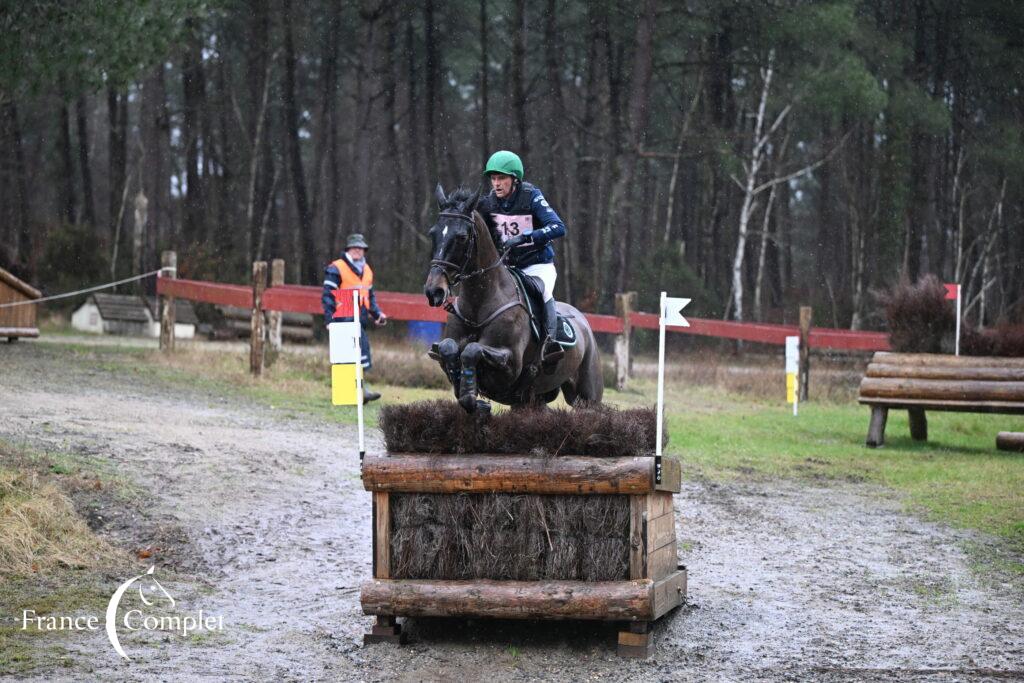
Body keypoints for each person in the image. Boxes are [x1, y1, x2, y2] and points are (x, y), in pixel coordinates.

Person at [477, 150, 566, 366]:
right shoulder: (489, 203)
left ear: (514, 179)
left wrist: (528, 236)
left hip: (537, 265)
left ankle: (550, 343)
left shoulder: (531, 196)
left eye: (502, 179)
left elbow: (558, 227)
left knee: (543, 292)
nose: (496, 184)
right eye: (494, 178)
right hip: (507, 267)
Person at [322, 233, 388, 402]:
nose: (358, 251)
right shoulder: (336, 268)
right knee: (347, 356)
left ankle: (358, 391)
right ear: (348, 250)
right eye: (355, 248)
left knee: (358, 353)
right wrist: (329, 320)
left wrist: (377, 313)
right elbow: (328, 295)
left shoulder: (367, 270)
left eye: (361, 248)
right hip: (342, 318)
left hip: (360, 319)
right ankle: (351, 393)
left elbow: (369, 296)